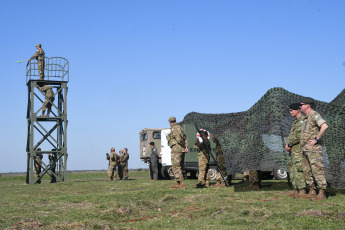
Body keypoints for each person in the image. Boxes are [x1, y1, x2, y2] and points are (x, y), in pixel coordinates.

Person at [298, 97, 328, 200]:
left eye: (301, 105)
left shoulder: (314, 115)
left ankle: (322, 192)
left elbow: (324, 126)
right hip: (305, 149)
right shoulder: (306, 117)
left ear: (307, 105)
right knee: (307, 170)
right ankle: (312, 190)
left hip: (313, 149)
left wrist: (316, 139)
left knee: (317, 170)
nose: (300, 107)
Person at [284, 103, 307, 197]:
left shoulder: (303, 121)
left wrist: (289, 144)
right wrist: (287, 144)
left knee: (299, 169)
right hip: (293, 149)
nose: (290, 112)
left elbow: (299, 136)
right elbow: (290, 135)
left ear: (298, 110)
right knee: (292, 169)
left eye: (291, 110)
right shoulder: (295, 122)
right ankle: (296, 189)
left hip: (299, 149)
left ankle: (302, 190)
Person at [166, 116, 188, 189]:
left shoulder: (174, 128)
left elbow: (179, 139)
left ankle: (182, 184)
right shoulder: (180, 128)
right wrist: (185, 147)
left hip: (176, 150)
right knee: (180, 167)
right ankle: (178, 183)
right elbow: (185, 138)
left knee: (176, 167)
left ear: (169, 122)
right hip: (181, 150)